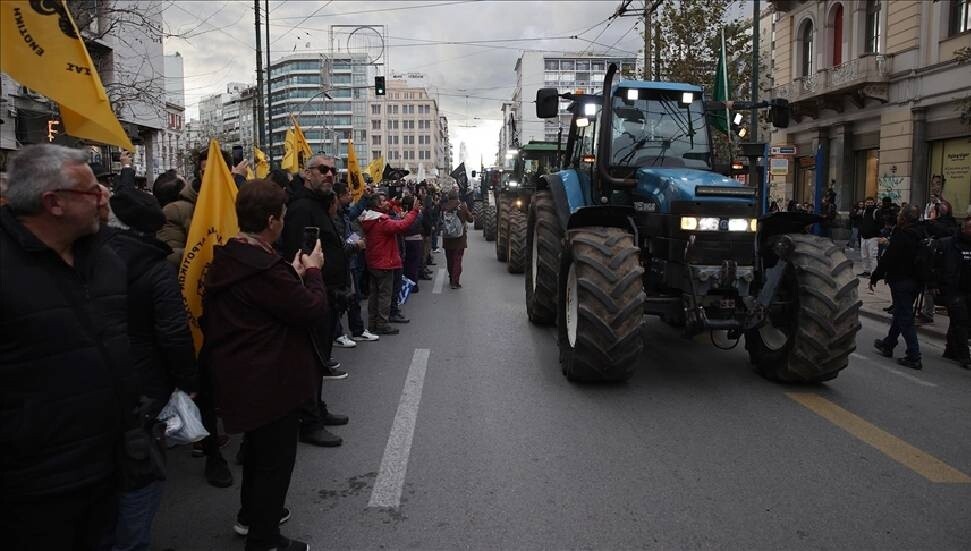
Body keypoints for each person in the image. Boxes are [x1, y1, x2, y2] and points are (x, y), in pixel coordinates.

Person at [1, 144, 134, 549]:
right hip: (31, 488)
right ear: (53, 203)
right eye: (91, 190)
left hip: (108, 467)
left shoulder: (106, 260)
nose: (104, 197)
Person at [201, 180, 324, 551]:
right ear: (272, 220)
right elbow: (311, 311)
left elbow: (264, 301)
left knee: (257, 452)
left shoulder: (232, 257)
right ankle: (264, 539)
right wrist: (313, 273)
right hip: (271, 380)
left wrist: (292, 276)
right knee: (275, 462)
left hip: (241, 374)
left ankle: (250, 516)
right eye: (282, 216)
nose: (284, 222)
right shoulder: (263, 268)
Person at [101, 166, 198, 551]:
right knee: (142, 472)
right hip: (146, 384)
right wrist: (189, 381)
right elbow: (173, 332)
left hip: (102, 382)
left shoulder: (89, 256)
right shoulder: (154, 267)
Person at [279, 155, 350, 449]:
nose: (330, 174)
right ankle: (309, 422)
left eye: (332, 170)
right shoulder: (301, 208)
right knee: (310, 361)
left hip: (327, 294)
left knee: (320, 359)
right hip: (313, 295)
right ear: (307, 174)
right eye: (323, 169)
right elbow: (298, 255)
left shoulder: (318, 205)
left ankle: (317, 409)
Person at [871, 204, 925, 370]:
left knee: (905, 317)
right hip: (916, 281)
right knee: (901, 311)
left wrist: (876, 275)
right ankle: (889, 343)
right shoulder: (922, 233)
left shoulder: (902, 235)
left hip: (901, 280)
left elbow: (889, 257)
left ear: (904, 218)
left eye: (901, 213)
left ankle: (914, 355)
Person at [360, 192, 420, 334]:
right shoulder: (381, 221)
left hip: (374, 262)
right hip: (384, 262)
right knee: (384, 295)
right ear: (378, 205)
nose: (387, 202)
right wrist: (414, 212)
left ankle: (373, 323)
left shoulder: (370, 219)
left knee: (374, 294)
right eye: (384, 201)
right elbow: (402, 225)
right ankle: (382, 323)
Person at [332, 183, 377, 344]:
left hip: (350, 262)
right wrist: (356, 245)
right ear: (337, 197)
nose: (350, 195)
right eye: (347, 193)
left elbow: (353, 214)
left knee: (353, 298)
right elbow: (339, 243)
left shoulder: (343, 213)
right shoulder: (333, 217)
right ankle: (338, 335)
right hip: (341, 263)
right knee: (341, 300)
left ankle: (357, 330)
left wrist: (364, 197)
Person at [938, 216, 971, 369]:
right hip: (954, 289)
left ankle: (951, 349)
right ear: (963, 228)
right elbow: (941, 266)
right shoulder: (950, 244)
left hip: (968, 289)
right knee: (961, 321)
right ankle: (964, 356)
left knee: (959, 321)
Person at [442, 191, 474, 289]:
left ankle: (451, 276)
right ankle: (455, 282)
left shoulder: (444, 206)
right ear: (457, 197)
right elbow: (470, 219)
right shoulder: (462, 206)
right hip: (459, 238)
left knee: (449, 259)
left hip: (447, 238)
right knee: (457, 260)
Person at [857, 197, 880, 277]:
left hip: (873, 238)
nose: (869, 204)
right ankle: (866, 271)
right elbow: (861, 222)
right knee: (864, 256)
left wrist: (874, 232)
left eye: (871, 203)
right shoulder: (864, 212)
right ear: (865, 203)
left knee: (872, 256)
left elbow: (880, 224)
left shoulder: (876, 212)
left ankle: (873, 273)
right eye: (867, 203)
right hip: (864, 237)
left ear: (873, 203)